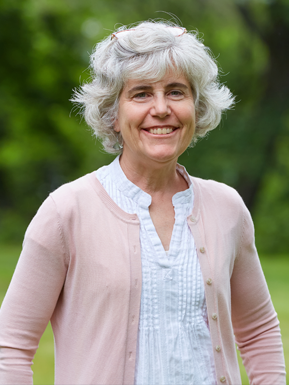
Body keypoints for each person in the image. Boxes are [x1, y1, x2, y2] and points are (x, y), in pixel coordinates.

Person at [0, 21, 286, 385]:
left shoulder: (227, 208)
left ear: (196, 107)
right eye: (141, 94)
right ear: (113, 114)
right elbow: (10, 346)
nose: (162, 108)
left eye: (176, 91)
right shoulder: (66, 212)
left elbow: (259, 331)